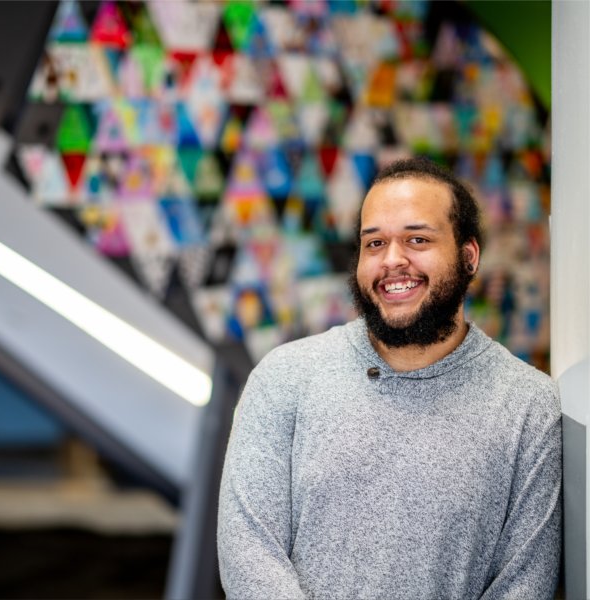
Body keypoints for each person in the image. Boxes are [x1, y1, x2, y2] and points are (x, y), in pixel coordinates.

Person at [217, 157, 562, 600]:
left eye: (418, 239)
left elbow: (525, 584)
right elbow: (248, 553)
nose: (393, 260)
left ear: (469, 256)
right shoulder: (284, 378)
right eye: (375, 243)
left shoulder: (529, 406)